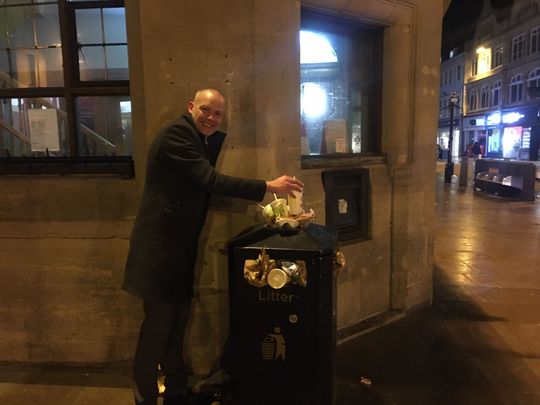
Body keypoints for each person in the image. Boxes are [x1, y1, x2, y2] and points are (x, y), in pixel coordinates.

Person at [122, 88, 303, 405]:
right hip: (158, 250)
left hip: (175, 249)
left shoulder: (197, 139)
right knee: (158, 327)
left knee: (177, 323)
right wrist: (267, 186)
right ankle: (144, 396)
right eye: (205, 110)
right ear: (191, 106)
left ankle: (176, 390)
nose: (211, 118)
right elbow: (210, 180)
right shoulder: (177, 134)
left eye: (218, 114)